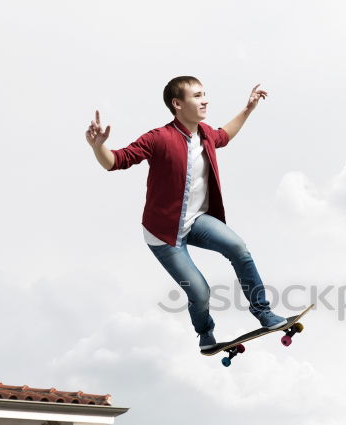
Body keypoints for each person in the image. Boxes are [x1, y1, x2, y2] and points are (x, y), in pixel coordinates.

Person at [85, 76, 287, 351]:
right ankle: (205, 334)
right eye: (197, 95)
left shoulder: (205, 134)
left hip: (197, 221)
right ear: (177, 104)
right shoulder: (158, 138)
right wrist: (99, 147)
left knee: (239, 248)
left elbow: (225, 134)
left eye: (204, 94)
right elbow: (116, 161)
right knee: (200, 292)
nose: (204, 100)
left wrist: (248, 109)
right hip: (164, 234)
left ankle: (263, 311)